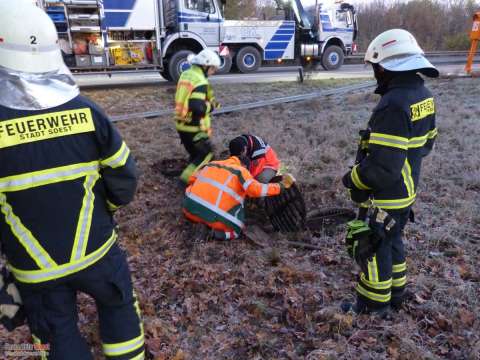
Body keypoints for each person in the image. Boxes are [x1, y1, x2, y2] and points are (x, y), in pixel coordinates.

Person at [0, 2, 143, 359]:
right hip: (97, 252)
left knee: (57, 336)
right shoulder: (87, 112)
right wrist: (103, 210)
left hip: (35, 271)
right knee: (120, 310)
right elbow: (125, 177)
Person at [342, 29, 438, 315]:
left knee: (372, 247)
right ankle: (396, 296)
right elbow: (427, 144)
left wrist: (352, 178)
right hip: (407, 190)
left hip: (386, 195)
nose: (375, 73)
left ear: (384, 65)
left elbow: (383, 167)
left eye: (375, 67)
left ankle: (373, 305)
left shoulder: (393, 105)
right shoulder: (424, 95)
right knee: (393, 241)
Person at [183, 155, 295, 240]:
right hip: (215, 219)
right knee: (237, 230)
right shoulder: (241, 171)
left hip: (189, 209)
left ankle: (197, 220)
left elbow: (191, 179)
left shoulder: (211, 164)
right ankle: (212, 234)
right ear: (244, 165)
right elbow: (256, 190)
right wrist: (280, 187)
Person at [174, 49, 221, 183]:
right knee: (206, 154)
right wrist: (211, 106)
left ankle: (196, 176)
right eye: (213, 69)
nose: (213, 72)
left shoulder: (186, 74)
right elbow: (197, 107)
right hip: (194, 126)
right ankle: (185, 180)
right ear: (205, 66)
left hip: (181, 123)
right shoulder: (200, 81)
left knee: (195, 154)